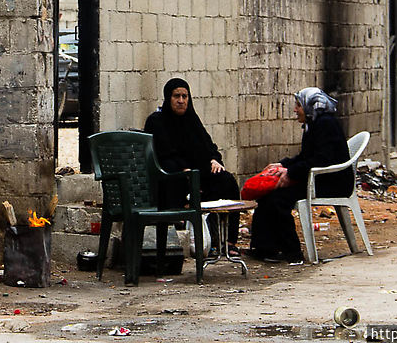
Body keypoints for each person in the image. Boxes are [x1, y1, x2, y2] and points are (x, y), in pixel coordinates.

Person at [247, 87, 353, 264]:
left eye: (299, 105)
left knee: (279, 199)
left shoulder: (325, 124)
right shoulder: (314, 123)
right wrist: (283, 165)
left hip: (332, 182)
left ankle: (292, 252)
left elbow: (322, 160)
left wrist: (291, 172)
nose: (295, 110)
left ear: (310, 105)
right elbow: (306, 156)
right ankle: (264, 248)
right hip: (317, 178)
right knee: (267, 194)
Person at [143, 77, 242, 254]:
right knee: (179, 177)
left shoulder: (192, 120)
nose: (181, 101)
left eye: (184, 96)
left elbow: (208, 145)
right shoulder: (157, 121)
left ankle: (227, 241)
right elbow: (164, 152)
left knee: (226, 181)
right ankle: (203, 237)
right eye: (176, 96)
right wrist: (184, 169)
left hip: (198, 173)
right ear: (168, 98)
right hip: (175, 175)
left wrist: (214, 159)